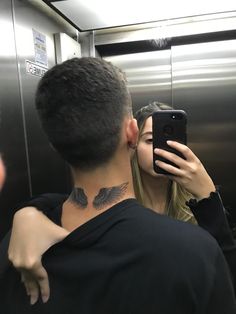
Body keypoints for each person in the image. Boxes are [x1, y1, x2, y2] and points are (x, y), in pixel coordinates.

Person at [1, 57, 235, 314]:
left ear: (55, 146)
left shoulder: (17, 251)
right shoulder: (197, 253)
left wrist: (26, 212)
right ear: (132, 133)